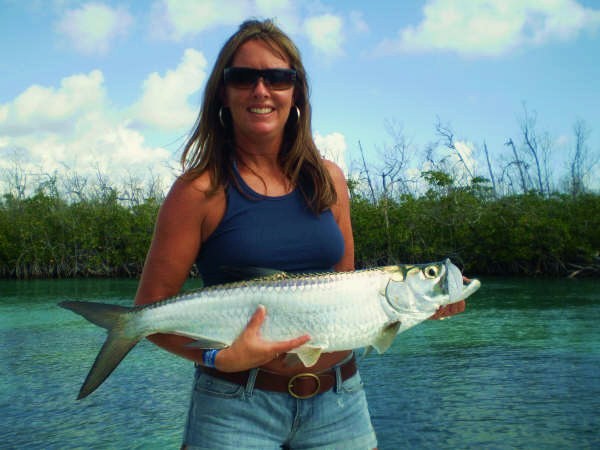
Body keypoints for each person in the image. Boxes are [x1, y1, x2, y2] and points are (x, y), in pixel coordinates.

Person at [134, 18, 463, 450]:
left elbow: (350, 293)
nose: (261, 90)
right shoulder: (198, 190)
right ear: (222, 92)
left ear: (297, 93)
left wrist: (420, 306)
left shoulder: (330, 180)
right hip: (234, 406)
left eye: (278, 77)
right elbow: (147, 316)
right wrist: (219, 356)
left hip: (340, 402)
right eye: (243, 77)